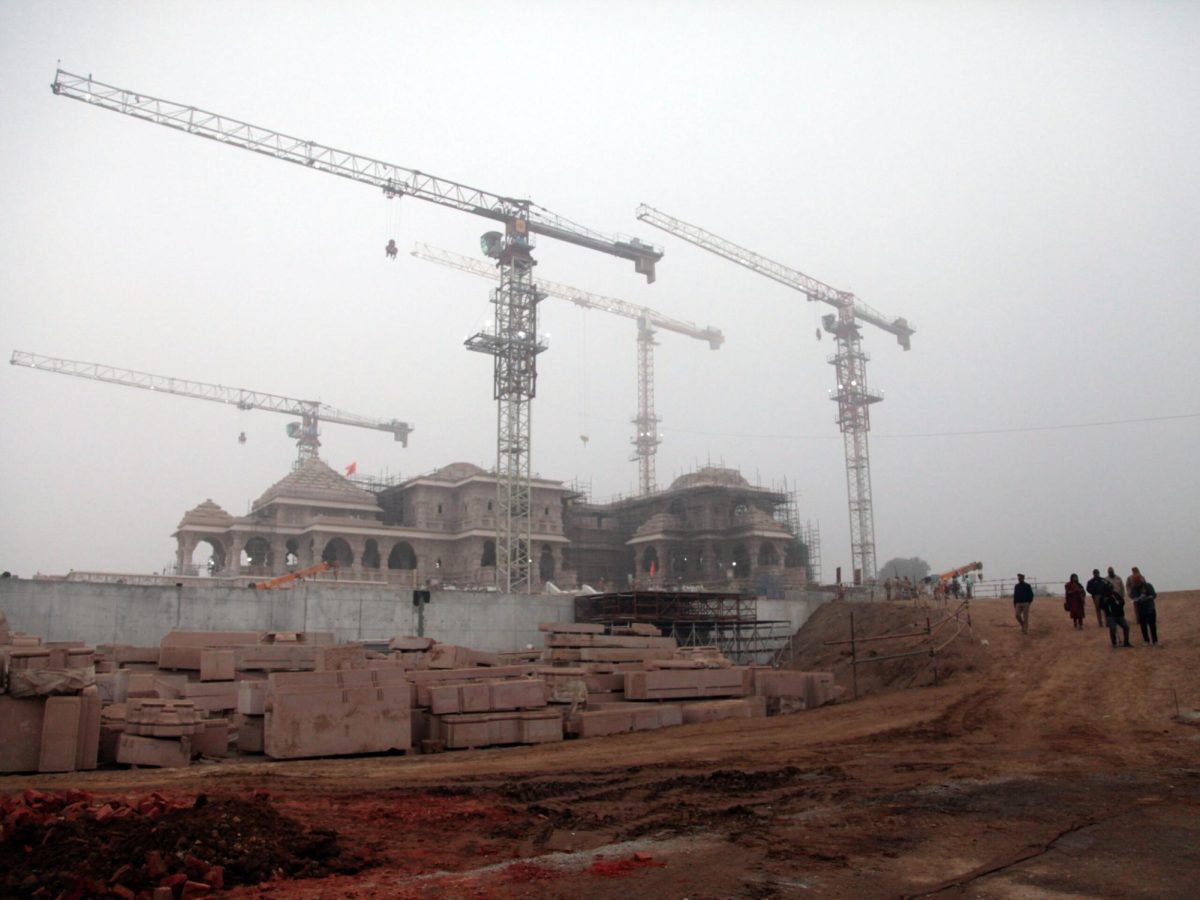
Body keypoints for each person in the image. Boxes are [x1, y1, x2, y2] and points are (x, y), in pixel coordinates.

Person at [1098, 578, 1132, 648]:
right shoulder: (1103, 597)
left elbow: (1122, 602)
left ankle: (1126, 642)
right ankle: (1114, 643)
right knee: (1113, 629)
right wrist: (1105, 602)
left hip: (1119, 615)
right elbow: (1101, 607)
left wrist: (1119, 604)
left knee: (1126, 627)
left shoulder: (1115, 594)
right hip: (1111, 616)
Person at [1129, 571, 1159, 645]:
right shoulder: (1134, 588)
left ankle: (1155, 640)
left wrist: (1147, 598)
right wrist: (1136, 599)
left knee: (1152, 625)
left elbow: (1154, 595)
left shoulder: (1148, 586)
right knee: (1143, 626)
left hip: (1150, 608)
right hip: (1141, 609)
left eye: (1136, 580)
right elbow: (1132, 596)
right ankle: (1146, 640)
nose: (1135, 582)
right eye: (1134, 581)